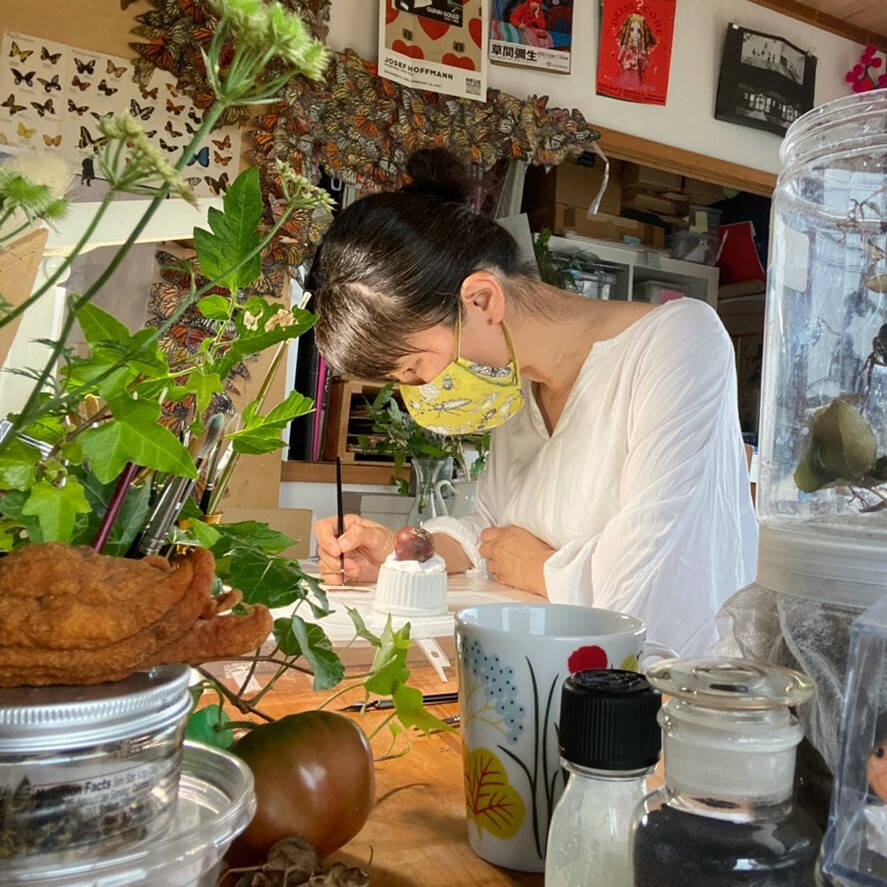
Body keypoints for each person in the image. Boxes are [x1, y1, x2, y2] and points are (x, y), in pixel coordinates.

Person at [311, 149, 758, 655]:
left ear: (482, 300)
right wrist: (407, 554)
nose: (421, 392)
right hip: (548, 665)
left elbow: (654, 575)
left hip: (664, 680)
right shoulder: (514, 388)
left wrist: (539, 568)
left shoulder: (676, 342)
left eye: (415, 368)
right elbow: (493, 532)